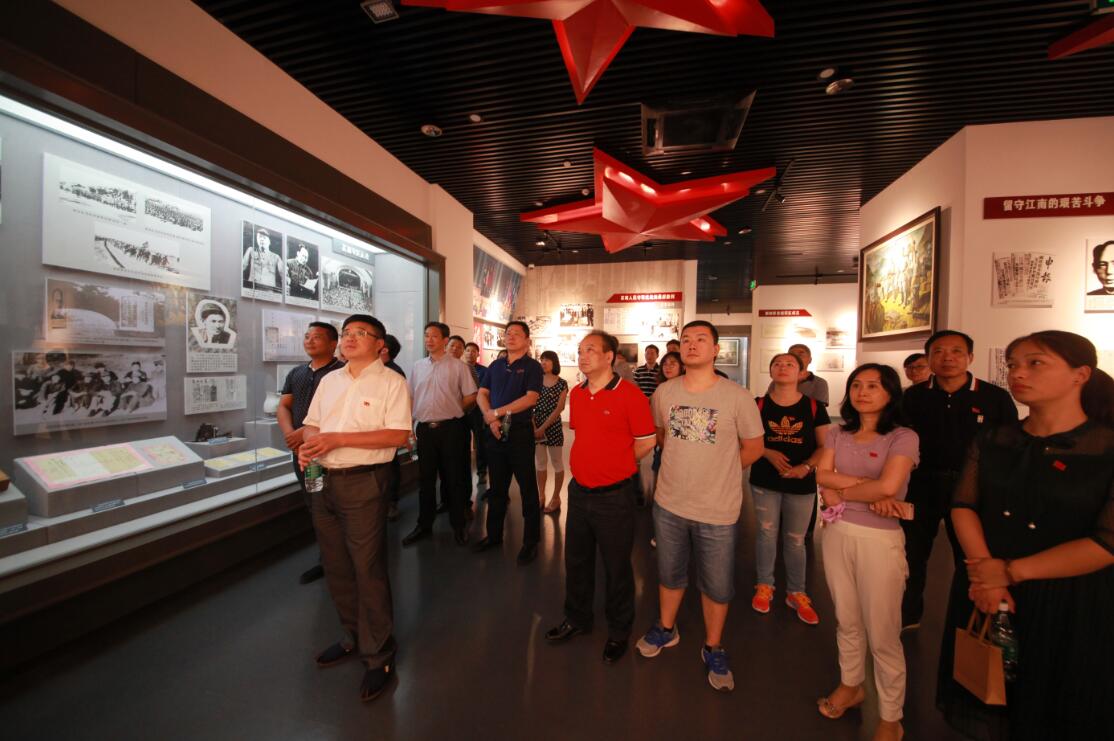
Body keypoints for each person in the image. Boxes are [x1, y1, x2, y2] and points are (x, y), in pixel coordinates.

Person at [941, 330, 1114, 740]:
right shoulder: (994, 439)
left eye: (1035, 363)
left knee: (1061, 696)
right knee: (994, 688)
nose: (1018, 373)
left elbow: (1107, 542)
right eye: (1013, 364)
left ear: (1080, 374)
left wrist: (1008, 573)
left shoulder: (1105, 448)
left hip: (1070, 597)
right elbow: (964, 505)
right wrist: (987, 573)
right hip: (987, 587)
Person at [636, 321, 764, 692]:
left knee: (717, 584)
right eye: (686, 339)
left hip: (717, 509)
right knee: (669, 573)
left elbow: (754, 448)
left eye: (701, 340)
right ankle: (666, 628)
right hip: (669, 504)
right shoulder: (664, 392)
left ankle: (713, 646)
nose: (692, 345)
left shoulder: (737, 397)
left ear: (716, 350)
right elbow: (661, 435)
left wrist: (720, 470)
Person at [297, 314, 411, 703]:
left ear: (379, 344)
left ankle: (379, 653)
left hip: (364, 482)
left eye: (360, 333)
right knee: (336, 565)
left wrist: (337, 439)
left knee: (367, 567)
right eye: (346, 333)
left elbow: (397, 434)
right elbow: (312, 424)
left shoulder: (392, 382)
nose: (349, 338)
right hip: (322, 480)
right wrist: (310, 446)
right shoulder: (330, 380)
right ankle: (352, 636)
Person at [814, 364, 919, 741]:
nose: (863, 392)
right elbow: (821, 476)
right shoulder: (838, 433)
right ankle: (851, 684)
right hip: (837, 533)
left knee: (883, 632)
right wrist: (867, 487)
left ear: (890, 393)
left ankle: (890, 715)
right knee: (846, 618)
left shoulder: (903, 437)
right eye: (857, 385)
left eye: (873, 386)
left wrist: (843, 491)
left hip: (880, 540)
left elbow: (889, 486)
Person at [545, 330, 656, 663]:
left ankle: (619, 631)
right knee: (576, 561)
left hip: (614, 496)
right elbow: (585, 435)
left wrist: (617, 464)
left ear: (609, 357)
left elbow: (647, 441)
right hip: (579, 491)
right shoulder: (578, 394)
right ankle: (577, 617)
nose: (582, 355)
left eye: (590, 350)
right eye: (580, 350)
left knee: (616, 566)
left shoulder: (630, 395)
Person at [899, 330, 1017, 630]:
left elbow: (1010, 446)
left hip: (973, 491)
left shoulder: (994, 398)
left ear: (970, 358)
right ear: (929, 358)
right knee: (911, 553)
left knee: (969, 556)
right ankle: (908, 615)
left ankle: (969, 621)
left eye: (956, 351)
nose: (947, 358)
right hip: (921, 486)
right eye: (939, 352)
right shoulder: (913, 397)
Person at [750, 353, 831, 625]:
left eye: (790, 364)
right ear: (770, 371)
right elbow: (745, 439)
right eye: (777, 364)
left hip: (801, 482)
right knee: (766, 533)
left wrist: (806, 467)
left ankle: (796, 591)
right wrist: (767, 452)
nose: (783, 367)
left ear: (802, 373)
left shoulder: (814, 407)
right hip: (765, 480)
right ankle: (765, 585)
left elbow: (825, 447)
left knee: (796, 539)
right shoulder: (758, 405)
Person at [277, 322, 344, 583]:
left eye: (317, 337)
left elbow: (341, 414)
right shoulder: (297, 373)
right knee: (315, 503)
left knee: (337, 504)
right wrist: (291, 434)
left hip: (332, 452)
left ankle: (342, 557)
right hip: (305, 454)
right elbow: (284, 405)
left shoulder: (341, 373)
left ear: (333, 343)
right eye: (307, 336)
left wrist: (303, 432)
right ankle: (326, 559)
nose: (309, 341)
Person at [474, 320, 544, 564]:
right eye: (508, 333)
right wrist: (490, 418)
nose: (511, 336)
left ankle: (531, 542)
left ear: (527, 340)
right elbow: (482, 394)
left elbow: (531, 398)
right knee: (497, 489)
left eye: (516, 333)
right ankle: (494, 536)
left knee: (527, 489)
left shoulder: (532, 367)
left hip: (520, 434)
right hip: (495, 433)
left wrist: (496, 413)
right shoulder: (496, 365)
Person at [402, 322, 477, 548]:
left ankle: (458, 525)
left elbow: (471, 396)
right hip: (425, 430)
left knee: (454, 479)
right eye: (426, 335)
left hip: (451, 429)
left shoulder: (458, 367)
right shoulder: (417, 367)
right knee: (425, 480)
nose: (429, 340)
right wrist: (409, 426)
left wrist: (453, 409)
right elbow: (411, 396)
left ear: (445, 340)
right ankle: (424, 525)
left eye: (434, 336)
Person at [533, 350, 569, 515]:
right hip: (535, 425)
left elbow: (559, 408)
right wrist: (535, 427)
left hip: (553, 425)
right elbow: (530, 403)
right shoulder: (535, 380)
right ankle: (541, 495)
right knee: (540, 462)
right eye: (542, 360)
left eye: (547, 360)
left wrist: (543, 428)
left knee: (557, 462)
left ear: (554, 362)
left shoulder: (562, 383)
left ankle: (556, 497)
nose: (544, 362)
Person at [378, 334, 406, 522]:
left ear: (384, 349)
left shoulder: (395, 374)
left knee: (389, 466)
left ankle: (391, 502)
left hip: (387, 430)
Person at [633, 344, 661, 503]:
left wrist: (651, 398)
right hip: (640, 409)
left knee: (655, 439)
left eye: (652, 353)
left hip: (655, 408)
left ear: (657, 355)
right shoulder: (638, 371)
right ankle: (637, 486)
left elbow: (661, 387)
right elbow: (635, 386)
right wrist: (642, 399)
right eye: (647, 353)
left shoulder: (660, 370)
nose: (649, 355)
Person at [464, 341, 489, 488]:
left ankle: (481, 472)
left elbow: (484, 392)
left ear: (478, 354)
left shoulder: (484, 371)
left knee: (480, 442)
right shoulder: (459, 368)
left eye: (473, 351)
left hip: (477, 412)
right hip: (462, 412)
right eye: (468, 350)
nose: (470, 353)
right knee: (462, 442)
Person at [241, 225, 282, 290]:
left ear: (269, 241)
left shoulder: (276, 257)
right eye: (259, 237)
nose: (261, 239)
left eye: (264, 238)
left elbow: (284, 274)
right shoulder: (251, 250)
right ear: (257, 239)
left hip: (269, 291)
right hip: (253, 289)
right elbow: (242, 267)